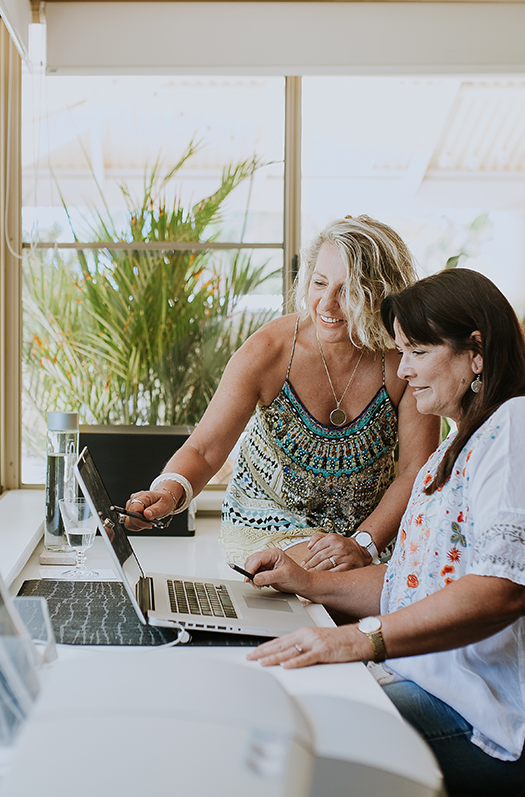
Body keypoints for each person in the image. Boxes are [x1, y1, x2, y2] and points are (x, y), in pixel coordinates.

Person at [242, 268, 525, 794]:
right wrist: (309, 583)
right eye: (399, 353)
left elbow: (504, 590)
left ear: (476, 353)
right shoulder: (459, 446)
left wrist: (359, 639)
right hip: (456, 692)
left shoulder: (524, 429)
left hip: (521, 729)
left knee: (296, 744)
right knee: (277, 713)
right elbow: (411, 581)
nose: (403, 370)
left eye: (418, 353)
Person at [124, 215, 440, 570]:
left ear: (382, 295)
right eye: (319, 283)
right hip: (269, 528)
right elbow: (205, 449)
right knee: (320, 581)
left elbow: (415, 470)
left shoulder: (405, 358)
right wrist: (167, 492)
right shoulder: (269, 351)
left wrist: (363, 545)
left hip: (372, 534)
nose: (326, 304)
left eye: (348, 291)